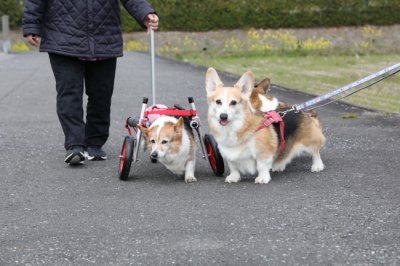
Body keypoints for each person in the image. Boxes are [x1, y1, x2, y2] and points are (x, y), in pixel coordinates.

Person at [22, 0, 159, 165]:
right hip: (63, 37)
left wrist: (145, 13)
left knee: (101, 94)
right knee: (69, 93)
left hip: (104, 39)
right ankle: (75, 145)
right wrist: (31, 26)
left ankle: (95, 143)